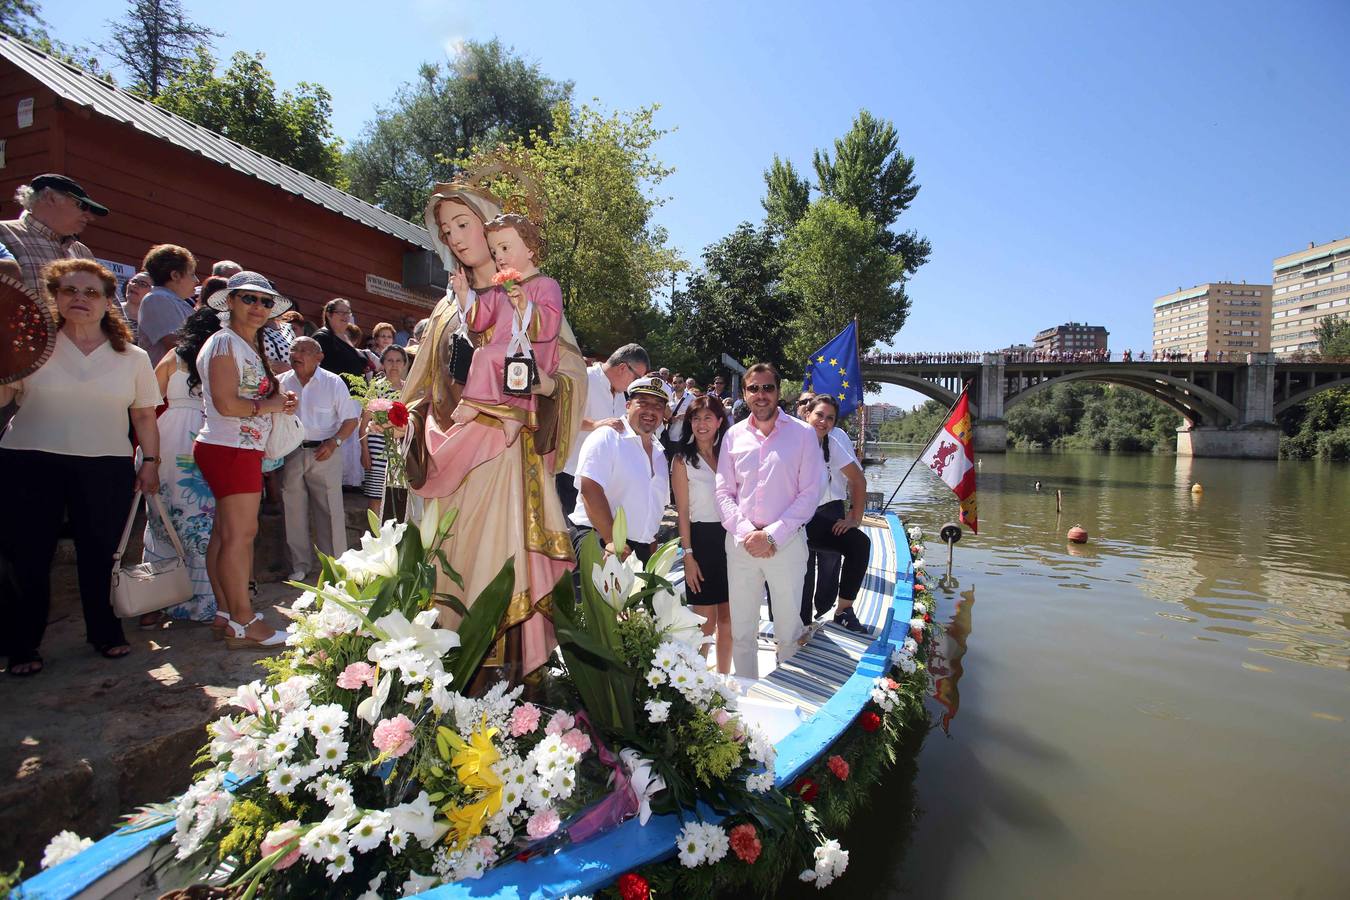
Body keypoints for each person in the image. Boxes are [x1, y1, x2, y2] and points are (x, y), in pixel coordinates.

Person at [402, 179, 587, 684]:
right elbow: (423, 382)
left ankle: (513, 677)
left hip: (510, 456)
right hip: (453, 453)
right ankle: (456, 670)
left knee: (500, 564)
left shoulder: (533, 289)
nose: (456, 238)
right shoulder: (449, 304)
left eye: (464, 224)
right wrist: (401, 414)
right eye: (446, 231)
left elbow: (567, 373)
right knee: (454, 564)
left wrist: (546, 385)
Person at [0, 259, 161, 675]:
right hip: (29, 461)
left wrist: (151, 462)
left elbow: (144, 416)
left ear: (109, 302)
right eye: (70, 290)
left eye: (91, 292)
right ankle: (23, 645)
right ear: (54, 296)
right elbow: (3, 402)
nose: (80, 299)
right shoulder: (32, 345)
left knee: (100, 553)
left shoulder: (133, 357)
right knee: (29, 556)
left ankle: (105, 632)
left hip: (105, 465)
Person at [194, 272, 297, 651]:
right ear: (231, 301)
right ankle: (242, 619)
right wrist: (270, 404)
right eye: (249, 299)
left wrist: (276, 403)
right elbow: (226, 403)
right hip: (231, 447)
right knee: (240, 536)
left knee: (226, 535)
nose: (258, 307)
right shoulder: (224, 344)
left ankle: (226, 613)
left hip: (236, 447)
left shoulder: (243, 344)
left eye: (265, 301)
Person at [715, 362, 823, 678]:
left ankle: (784, 692)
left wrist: (772, 536)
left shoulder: (803, 435)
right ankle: (746, 695)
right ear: (745, 394)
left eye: (768, 388)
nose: (761, 395)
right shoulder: (733, 436)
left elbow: (810, 493)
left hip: (786, 546)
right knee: (743, 629)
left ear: (778, 392)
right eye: (754, 388)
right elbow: (723, 491)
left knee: (788, 631)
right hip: (741, 546)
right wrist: (749, 533)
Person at [138, 308, 223, 630]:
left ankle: (156, 601)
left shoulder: (174, 356)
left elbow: (147, 396)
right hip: (206, 435)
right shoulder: (220, 359)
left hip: (168, 436)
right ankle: (205, 600)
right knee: (204, 520)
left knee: (161, 518)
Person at [279, 337, 360, 581]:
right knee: (292, 510)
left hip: (326, 452)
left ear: (319, 357)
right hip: (290, 452)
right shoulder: (281, 383)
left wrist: (334, 442)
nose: (297, 354)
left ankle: (335, 567)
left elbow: (350, 420)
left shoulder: (333, 383)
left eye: (304, 350)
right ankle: (299, 565)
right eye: (294, 349)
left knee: (329, 510)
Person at [570, 376, 671, 564]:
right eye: (643, 402)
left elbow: (654, 508)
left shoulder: (659, 454)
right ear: (628, 405)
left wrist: (651, 548)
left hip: (639, 550)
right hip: (601, 540)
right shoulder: (607, 436)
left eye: (658, 405)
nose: (650, 410)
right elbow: (589, 488)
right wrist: (611, 540)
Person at [801, 395, 872, 634]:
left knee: (859, 544)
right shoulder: (790, 440)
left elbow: (858, 480)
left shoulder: (832, 442)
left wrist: (854, 518)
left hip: (822, 516)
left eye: (829, 418)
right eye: (819, 415)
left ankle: (842, 610)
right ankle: (799, 622)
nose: (823, 421)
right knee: (803, 572)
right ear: (806, 414)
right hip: (791, 520)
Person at [671, 394, 732, 672]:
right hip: (701, 541)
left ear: (720, 421)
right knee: (704, 622)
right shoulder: (682, 460)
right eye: (696, 418)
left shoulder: (729, 457)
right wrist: (688, 556)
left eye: (708, 417)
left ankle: (725, 682)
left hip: (730, 541)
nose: (701, 424)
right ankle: (697, 684)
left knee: (729, 619)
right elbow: (682, 513)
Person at [556, 343, 650, 514]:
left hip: (605, 478)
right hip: (573, 473)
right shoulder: (584, 379)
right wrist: (594, 425)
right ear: (622, 367)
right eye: (636, 378)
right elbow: (560, 417)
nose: (634, 384)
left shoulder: (622, 395)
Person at [0, 174, 106, 299]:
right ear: (50, 197)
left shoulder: (82, 251)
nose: (90, 217)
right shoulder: (3, 232)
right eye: (81, 205)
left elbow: (109, 305)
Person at [360, 345, 409, 518]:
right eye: (389, 360)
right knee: (376, 494)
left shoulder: (408, 390)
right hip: (377, 447)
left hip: (400, 447)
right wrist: (364, 450)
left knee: (397, 492)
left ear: (404, 364)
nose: (394, 365)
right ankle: (376, 536)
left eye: (398, 361)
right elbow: (364, 422)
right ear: (383, 363)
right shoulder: (376, 388)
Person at [136, 244, 199, 365]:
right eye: (192, 274)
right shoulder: (157, 299)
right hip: (164, 381)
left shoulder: (176, 301)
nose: (196, 280)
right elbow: (175, 344)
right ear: (175, 275)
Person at [312, 298, 370, 383]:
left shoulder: (346, 337)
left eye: (348, 312)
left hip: (357, 392)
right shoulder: (322, 337)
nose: (345, 316)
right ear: (329, 315)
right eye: (341, 312)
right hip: (336, 392)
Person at [664, 372, 693, 451]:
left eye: (680, 382)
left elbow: (697, 415)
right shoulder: (668, 398)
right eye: (674, 382)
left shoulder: (691, 398)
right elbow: (664, 417)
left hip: (686, 438)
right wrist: (668, 420)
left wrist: (687, 416)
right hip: (670, 437)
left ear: (684, 384)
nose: (677, 384)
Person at [121, 271, 152, 342]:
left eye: (143, 284)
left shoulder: (152, 321)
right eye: (133, 281)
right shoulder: (111, 309)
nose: (135, 285)